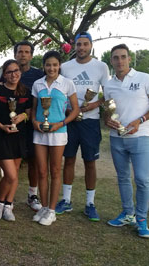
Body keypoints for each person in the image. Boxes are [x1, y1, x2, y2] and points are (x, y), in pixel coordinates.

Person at [57, 32, 109, 221]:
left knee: (90, 162)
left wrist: (94, 105)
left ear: (91, 46)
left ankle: (90, 203)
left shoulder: (101, 66)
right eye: (79, 44)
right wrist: (66, 107)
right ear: (75, 46)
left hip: (91, 121)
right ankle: (66, 200)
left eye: (85, 44)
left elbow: (107, 93)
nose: (81, 48)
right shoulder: (65, 67)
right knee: (69, 160)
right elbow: (59, 89)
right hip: (70, 121)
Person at [105, 44, 149, 238]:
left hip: (140, 136)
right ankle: (127, 213)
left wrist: (140, 121)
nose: (120, 61)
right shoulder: (108, 84)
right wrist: (107, 120)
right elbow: (109, 109)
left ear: (129, 59)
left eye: (123, 57)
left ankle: (141, 219)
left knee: (142, 180)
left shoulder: (144, 78)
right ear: (112, 61)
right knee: (122, 178)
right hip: (117, 138)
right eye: (116, 57)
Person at [31, 50, 79, 226]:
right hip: (40, 133)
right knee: (42, 172)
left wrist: (61, 123)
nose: (51, 68)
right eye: (48, 65)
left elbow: (75, 110)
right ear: (44, 66)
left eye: (55, 65)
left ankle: (52, 210)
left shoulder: (67, 84)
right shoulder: (37, 84)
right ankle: (43, 207)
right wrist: (35, 122)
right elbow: (34, 109)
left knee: (55, 170)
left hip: (58, 133)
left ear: (59, 66)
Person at [1, 41, 45, 211]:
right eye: (20, 52)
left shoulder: (39, 75)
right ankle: (5, 197)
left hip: (33, 124)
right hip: (13, 126)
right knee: (13, 164)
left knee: (33, 160)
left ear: (31, 55)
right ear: (15, 54)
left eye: (27, 52)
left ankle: (32, 194)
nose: (23, 55)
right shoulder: (7, 74)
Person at [0, 59, 32, 221]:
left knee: (13, 175)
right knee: (11, 175)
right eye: (9, 72)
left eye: (16, 71)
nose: (13, 74)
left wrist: (23, 116)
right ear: (4, 75)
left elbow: (30, 113)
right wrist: (2, 127)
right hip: (1, 136)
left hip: (19, 137)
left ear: (20, 72)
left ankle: (7, 205)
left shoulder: (25, 92)